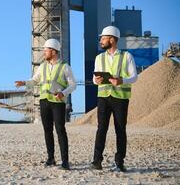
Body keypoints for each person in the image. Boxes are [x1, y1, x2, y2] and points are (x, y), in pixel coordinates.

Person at [15, 38, 76, 170]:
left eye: (46, 50)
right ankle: (51, 158)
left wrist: (63, 93)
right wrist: (24, 83)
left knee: (60, 130)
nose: (44, 52)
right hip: (44, 101)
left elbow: (73, 85)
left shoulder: (65, 66)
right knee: (47, 130)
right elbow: (35, 80)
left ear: (54, 51)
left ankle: (65, 161)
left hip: (58, 102)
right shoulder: (42, 67)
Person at [91, 26, 138, 172]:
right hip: (103, 97)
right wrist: (96, 81)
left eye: (103, 38)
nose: (101, 41)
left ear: (112, 39)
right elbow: (94, 78)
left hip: (120, 98)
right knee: (101, 129)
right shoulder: (99, 58)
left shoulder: (127, 56)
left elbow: (135, 76)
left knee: (120, 130)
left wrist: (121, 81)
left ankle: (119, 162)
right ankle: (96, 161)